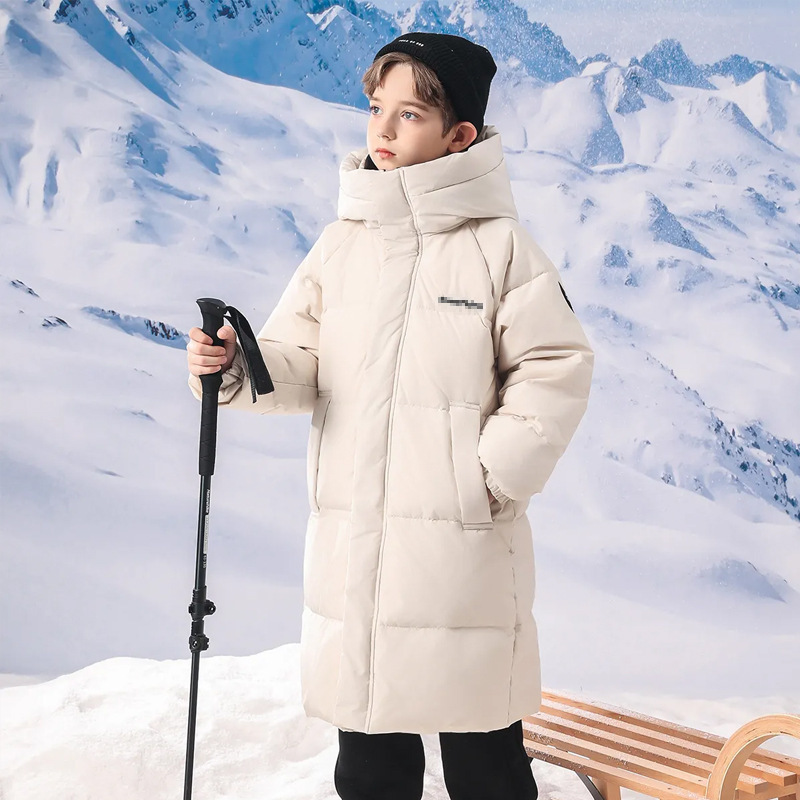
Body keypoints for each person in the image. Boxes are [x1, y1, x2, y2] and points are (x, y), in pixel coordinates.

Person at [187, 31, 594, 800]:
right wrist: (237, 366)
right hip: (358, 551)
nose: (383, 129)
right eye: (377, 108)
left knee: (485, 762)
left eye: (409, 114)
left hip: (460, 557)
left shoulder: (500, 249)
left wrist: (490, 476)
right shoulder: (342, 246)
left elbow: (556, 365)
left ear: (459, 136)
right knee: (370, 763)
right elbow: (301, 363)